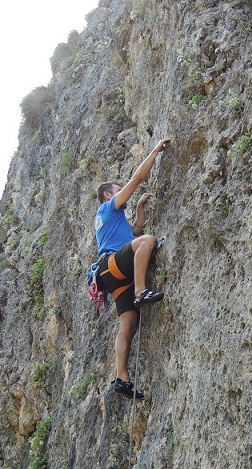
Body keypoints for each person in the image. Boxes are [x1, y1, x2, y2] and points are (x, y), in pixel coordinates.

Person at [94, 138, 171, 399]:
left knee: (128, 323)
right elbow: (137, 178)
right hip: (114, 263)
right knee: (149, 240)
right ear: (108, 194)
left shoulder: (109, 221)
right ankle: (141, 291)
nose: (120, 191)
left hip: (112, 275)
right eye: (117, 189)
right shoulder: (108, 206)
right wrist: (155, 151)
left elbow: (132, 233)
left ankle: (122, 377)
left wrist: (138, 210)